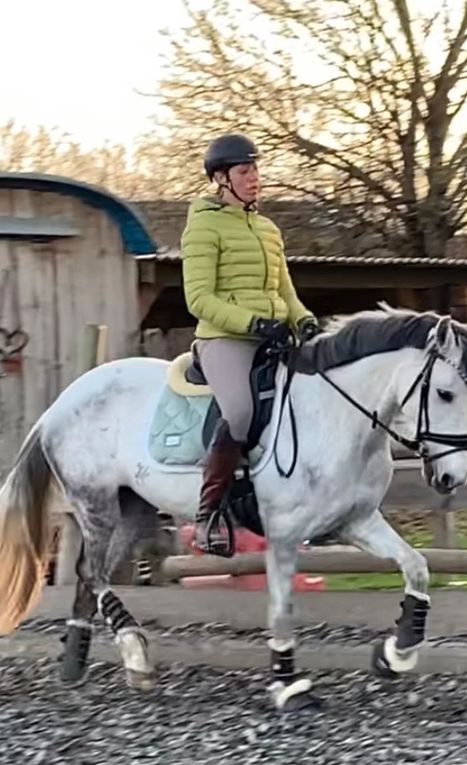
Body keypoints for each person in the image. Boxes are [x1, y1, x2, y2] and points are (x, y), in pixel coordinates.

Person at [181, 132, 321, 554]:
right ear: (221, 178)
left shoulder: (267, 229)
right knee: (240, 413)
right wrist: (254, 323)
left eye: (256, 169)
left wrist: (306, 321)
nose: (254, 178)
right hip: (226, 339)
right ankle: (208, 515)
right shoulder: (203, 227)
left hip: (273, 334)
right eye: (245, 171)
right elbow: (198, 299)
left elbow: (286, 292)